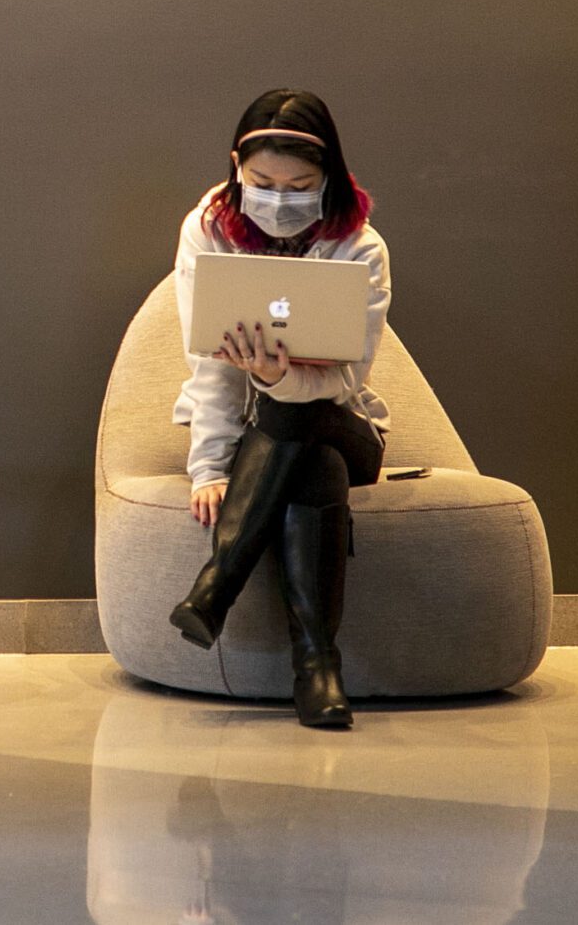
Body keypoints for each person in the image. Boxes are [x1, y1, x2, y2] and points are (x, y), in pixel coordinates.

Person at [165, 88, 390, 730]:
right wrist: (209, 466)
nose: (280, 199)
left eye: (300, 186)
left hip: (347, 427)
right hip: (271, 447)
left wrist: (278, 379)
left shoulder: (362, 247)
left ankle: (218, 585)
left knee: (308, 426)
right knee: (313, 466)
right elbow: (208, 358)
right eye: (264, 182)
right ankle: (317, 671)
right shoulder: (206, 227)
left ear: (329, 178)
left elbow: (346, 378)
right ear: (237, 165)